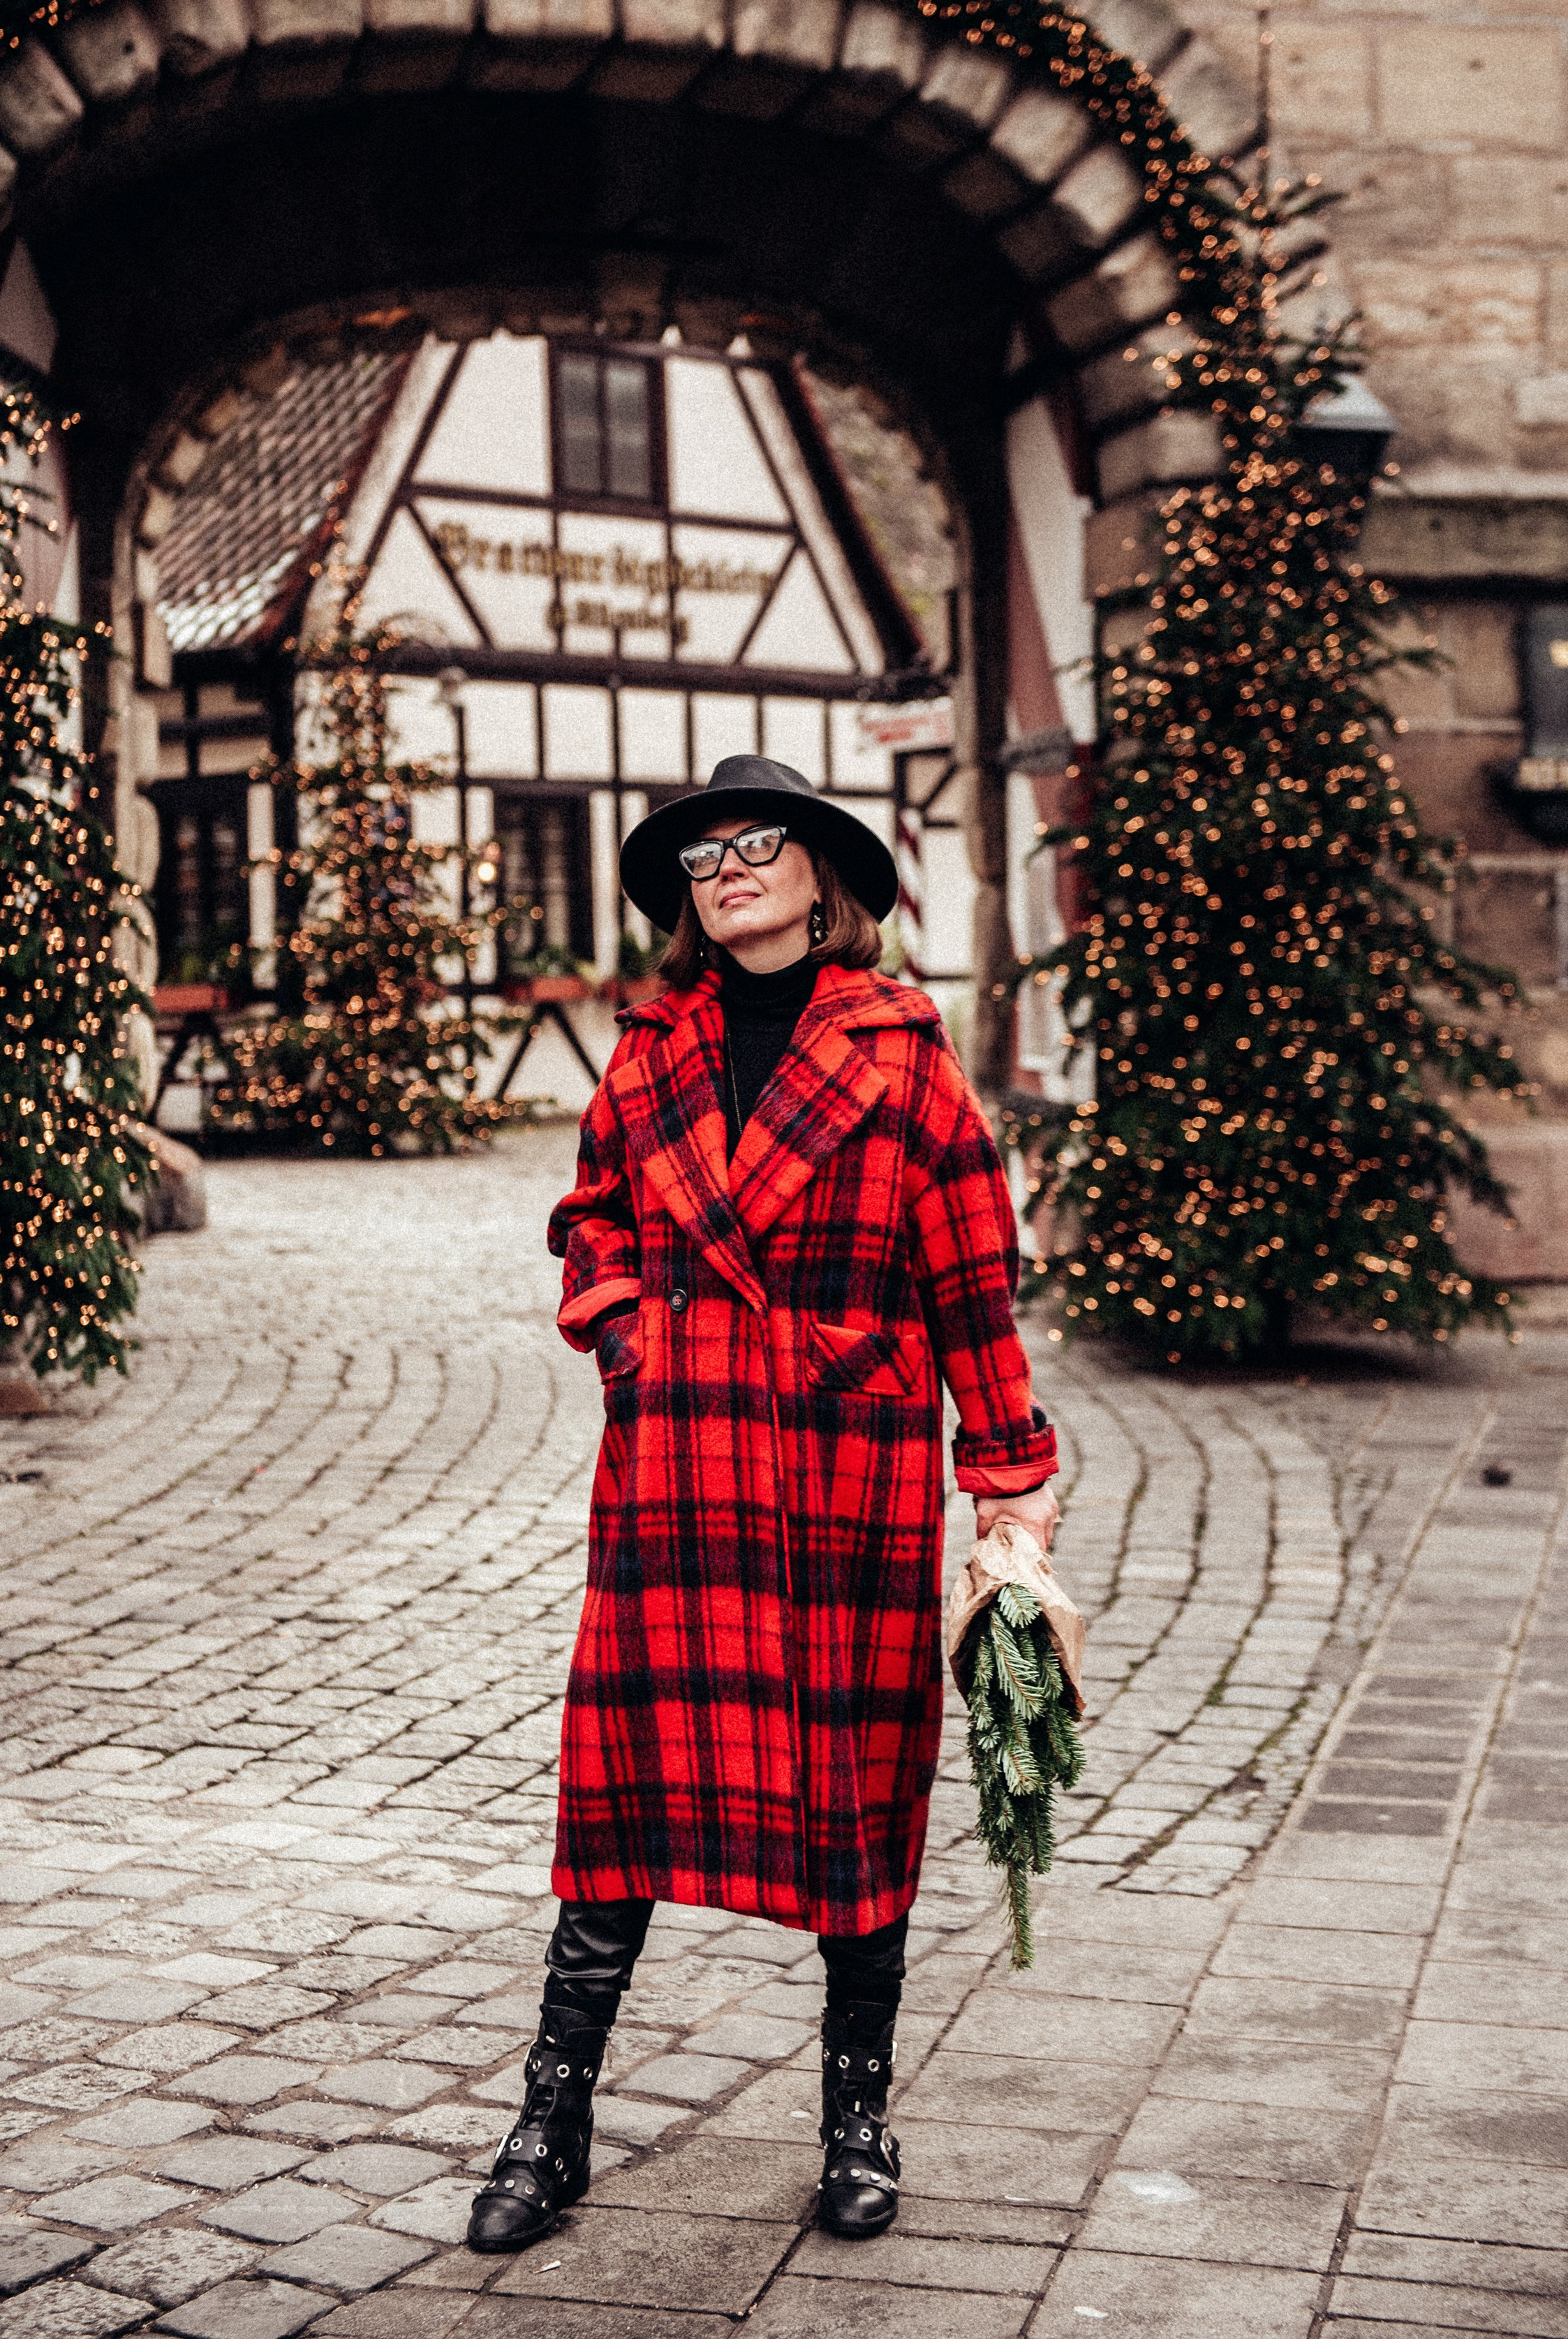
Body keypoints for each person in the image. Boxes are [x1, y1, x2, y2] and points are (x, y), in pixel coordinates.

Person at [466, 755, 1060, 2255]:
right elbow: (591, 1217)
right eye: (700, 855)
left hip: (839, 1481)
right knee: (618, 1794)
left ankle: (858, 2122)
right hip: (675, 1474)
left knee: (856, 1798)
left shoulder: (901, 1055)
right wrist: (624, 1330)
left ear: (819, 876)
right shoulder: (647, 1050)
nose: (725, 868)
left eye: (756, 842)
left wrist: (1007, 1481)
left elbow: (972, 1279)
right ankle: (550, 2119)